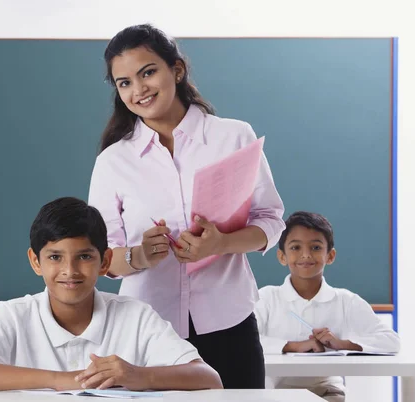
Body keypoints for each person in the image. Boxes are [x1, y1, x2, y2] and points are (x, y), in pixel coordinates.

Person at [88, 23, 285, 388]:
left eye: (148, 72)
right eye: (124, 82)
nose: (138, 89)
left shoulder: (233, 136)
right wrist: (139, 256)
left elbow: (270, 221)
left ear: (176, 70)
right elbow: (100, 255)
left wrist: (222, 243)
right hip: (148, 329)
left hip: (229, 323)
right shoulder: (114, 161)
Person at [0, 197, 222, 392]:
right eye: (55, 257)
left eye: (84, 256)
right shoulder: (13, 315)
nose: (69, 270)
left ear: (106, 261)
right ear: (36, 262)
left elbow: (209, 379)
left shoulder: (135, 315)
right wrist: (60, 381)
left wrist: (139, 375)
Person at [254, 211, 400, 401]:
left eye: (315, 247)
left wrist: (343, 344)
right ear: (282, 256)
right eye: (296, 247)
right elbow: (246, 343)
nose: (305, 255)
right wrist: (293, 346)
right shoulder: (266, 297)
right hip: (274, 390)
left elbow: (391, 340)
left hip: (326, 390)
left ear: (330, 256)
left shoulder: (346, 301)